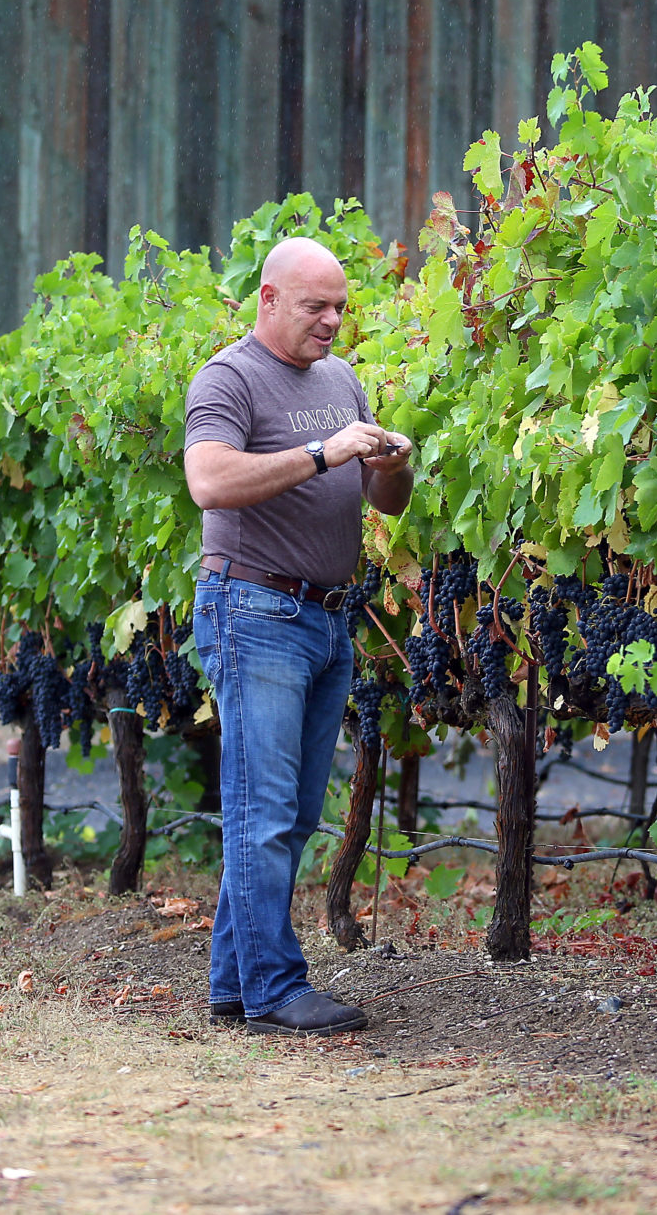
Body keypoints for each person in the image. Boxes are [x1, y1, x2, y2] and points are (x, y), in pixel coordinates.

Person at [183, 236, 414, 1036]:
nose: (332, 320)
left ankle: (231, 982)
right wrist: (323, 451)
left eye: (341, 307)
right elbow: (209, 479)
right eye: (317, 306)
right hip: (253, 611)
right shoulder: (229, 377)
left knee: (291, 810)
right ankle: (275, 989)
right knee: (264, 810)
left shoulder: (340, 379)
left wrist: (388, 460)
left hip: (325, 616)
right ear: (269, 298)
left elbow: (388, 504)